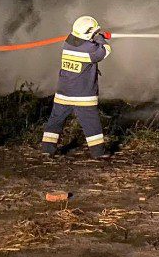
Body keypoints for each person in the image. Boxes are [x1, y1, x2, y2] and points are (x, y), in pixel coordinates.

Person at [41, 15, 111, 158]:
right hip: (83, 96)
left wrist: (94, 36)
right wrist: (101, 38)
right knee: (91, 124)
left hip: (63, 93)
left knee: (55, 120)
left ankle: (47, 149)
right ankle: (98, 153)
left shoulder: (67, 44)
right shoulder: (89, 49)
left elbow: (83, 41)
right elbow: (105, 51)